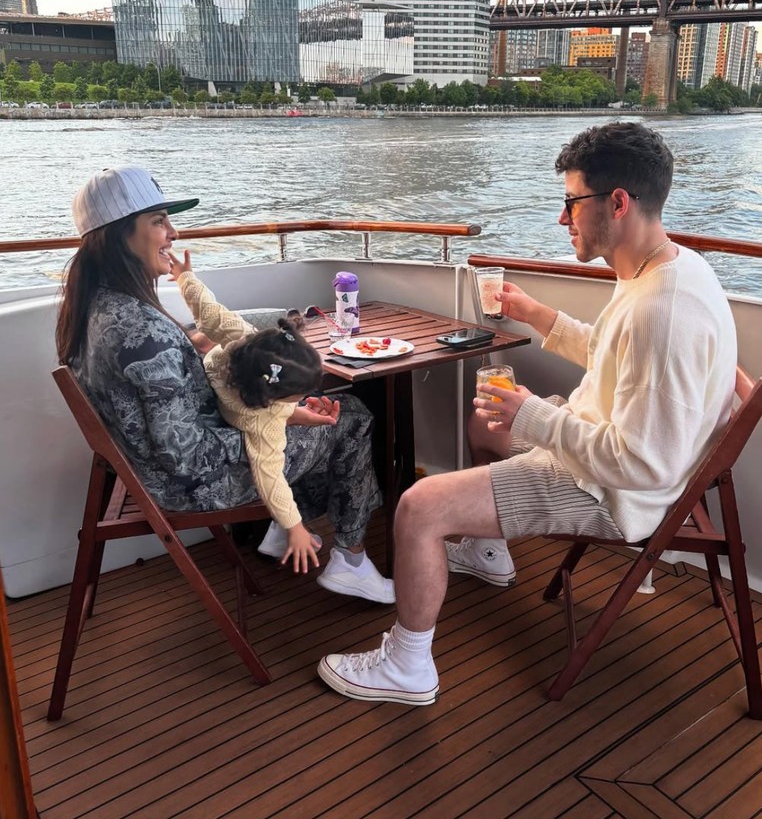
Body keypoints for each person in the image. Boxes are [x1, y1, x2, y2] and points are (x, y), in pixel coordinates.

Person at [317, 121, 738, 705]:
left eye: (571, 203)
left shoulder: (662, 311)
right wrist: (538, 315)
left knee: (417, 506)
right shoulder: (662, 270)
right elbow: (617, 358)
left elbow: (644, 464)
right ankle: (489, 553)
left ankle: (408, 665)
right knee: (485, 420)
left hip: (612, 492)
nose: (562, 219)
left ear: (617, 203)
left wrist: (535, 416)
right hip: (603, 451)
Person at [56, 165, 394, 604]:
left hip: (142, 468)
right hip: (188, 486)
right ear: (119, 234)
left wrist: (277, 410)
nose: (172, 233)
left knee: (292, 407)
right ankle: (349, 561)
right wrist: (272, 423)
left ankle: (283, 524)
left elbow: (168, 393)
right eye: (158, 221)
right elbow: (185, 456)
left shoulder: (93, 307)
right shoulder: (142, 331)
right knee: (351, 419)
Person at [169, 249, 334, 575]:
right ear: (273, 398)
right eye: (297, 397)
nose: (303, 398)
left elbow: (207, 310)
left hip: (218, 386)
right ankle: (292, 533)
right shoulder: (264, 420)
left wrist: (184, 277)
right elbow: (269, 477)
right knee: (353, 422)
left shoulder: (245, 337)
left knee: (205, 329)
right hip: (231, 422)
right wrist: (294, 526)